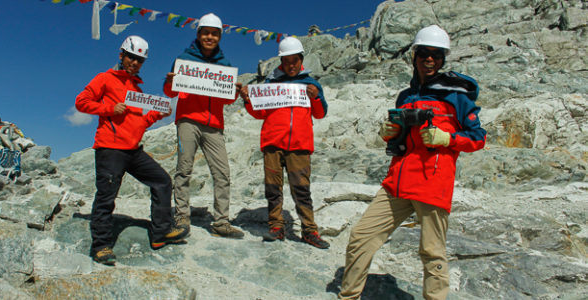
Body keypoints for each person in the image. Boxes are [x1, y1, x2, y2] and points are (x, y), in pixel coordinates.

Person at [338, 25, 487, 299]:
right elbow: (401, 142)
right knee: (361, 236)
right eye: (424, 54)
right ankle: (348, 296)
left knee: (432, 252)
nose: (430, 60)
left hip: (432, 182)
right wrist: (390, 135)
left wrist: (448, 138)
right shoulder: (405, 97)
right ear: (414, 56)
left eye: (437, 55)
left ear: (443, 60)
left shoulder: (457, 95)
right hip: (397, 181)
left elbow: (478, 138)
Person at [76, 35, 186, 265]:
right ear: (121, 55)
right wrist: (108, 108)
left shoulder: (136, 88)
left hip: (133, 150)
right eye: (132, 58)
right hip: (110, 149)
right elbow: (81, 101)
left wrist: (157, 114)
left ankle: (160, 233)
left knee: (162, 181)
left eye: (140, 60)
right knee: (107, 197)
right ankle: (101, 247)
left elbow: (139, 123)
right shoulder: (105, 78)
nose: (135, 63)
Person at [240, 37, 330, 249]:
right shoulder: (271, 85)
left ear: (301, 60)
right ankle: (276, 227)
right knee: (273, 188)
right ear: (281, 61)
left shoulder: (312, 85)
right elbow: (260, 113)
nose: (291, 65)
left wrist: (316, 98)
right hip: (272, 143)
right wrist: (247, 100)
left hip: (300, 145)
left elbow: (320, 113)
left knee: (302, 190)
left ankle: (309, 230)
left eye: (294, 60)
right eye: (286, 61)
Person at [163, 13, 244, 239]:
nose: (210, 37)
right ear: (198, 34)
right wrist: (169, 82)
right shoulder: (183, 58)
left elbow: (226, 99)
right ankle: (181, 217)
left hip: (214, 125)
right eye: (206, 32)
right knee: (184, 169)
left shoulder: (224, 64)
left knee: (222, 173)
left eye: (214, 33)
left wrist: (234, 92)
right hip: (188, 120)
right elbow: (170, 92)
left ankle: (221, 222)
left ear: (220, 36)